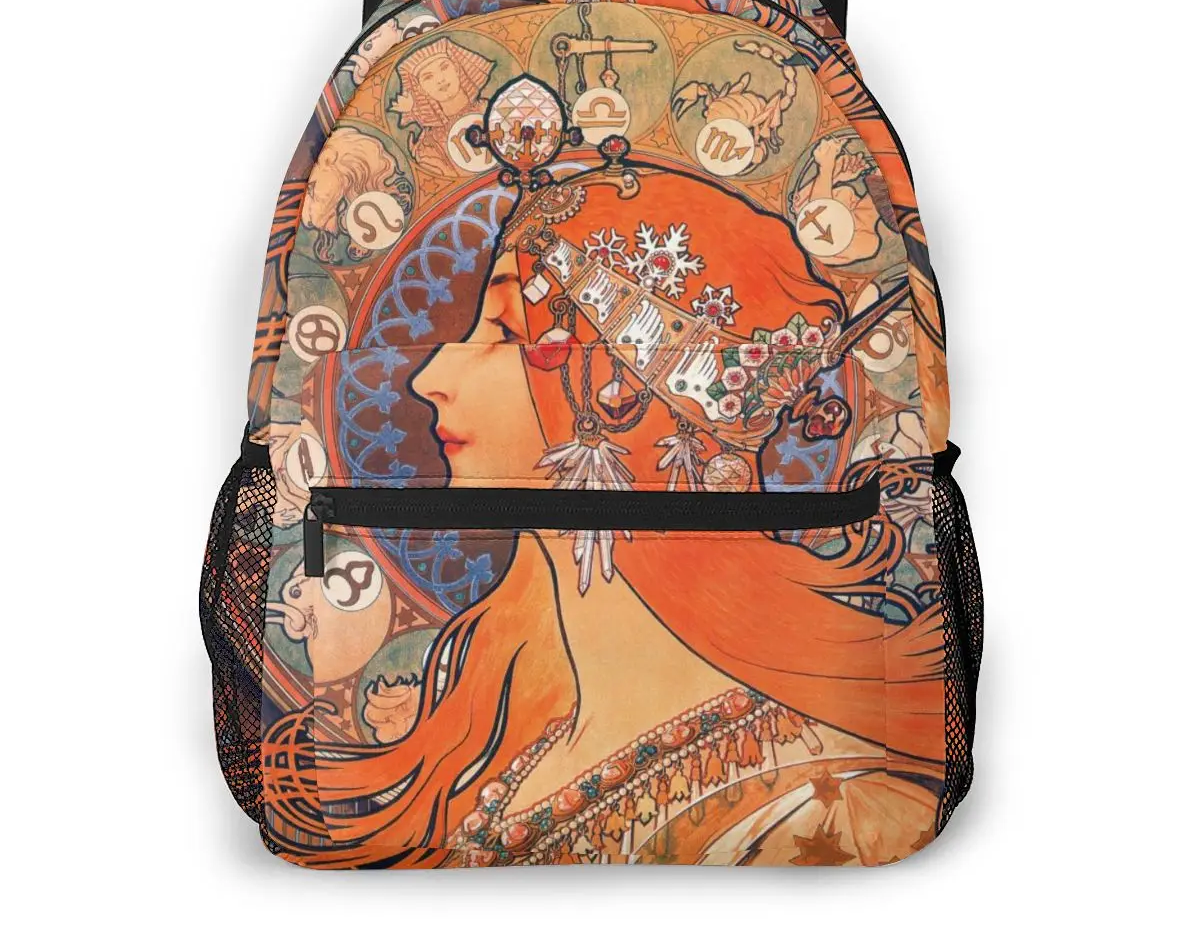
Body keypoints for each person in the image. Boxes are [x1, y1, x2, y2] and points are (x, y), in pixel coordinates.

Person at [263, 84, 945, 868]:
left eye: (500, 331)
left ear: (620, 395)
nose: (426, 377)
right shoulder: (506, 727)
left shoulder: (834, 798)